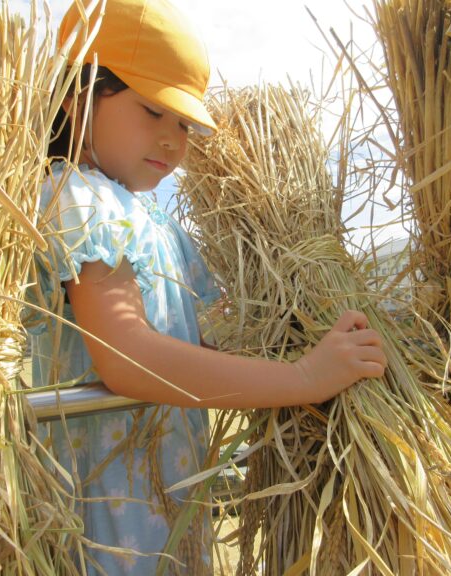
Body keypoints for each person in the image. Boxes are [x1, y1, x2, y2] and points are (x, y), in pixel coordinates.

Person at [26, 0, 388, 573]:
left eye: (186, 125)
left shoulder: (154, 223)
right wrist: (303, 378)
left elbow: (203, 345)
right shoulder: (74, 197)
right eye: (152, 112)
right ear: (78, 95)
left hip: (168, 508)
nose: (173, 141)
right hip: (105, 524)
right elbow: (126, 356)